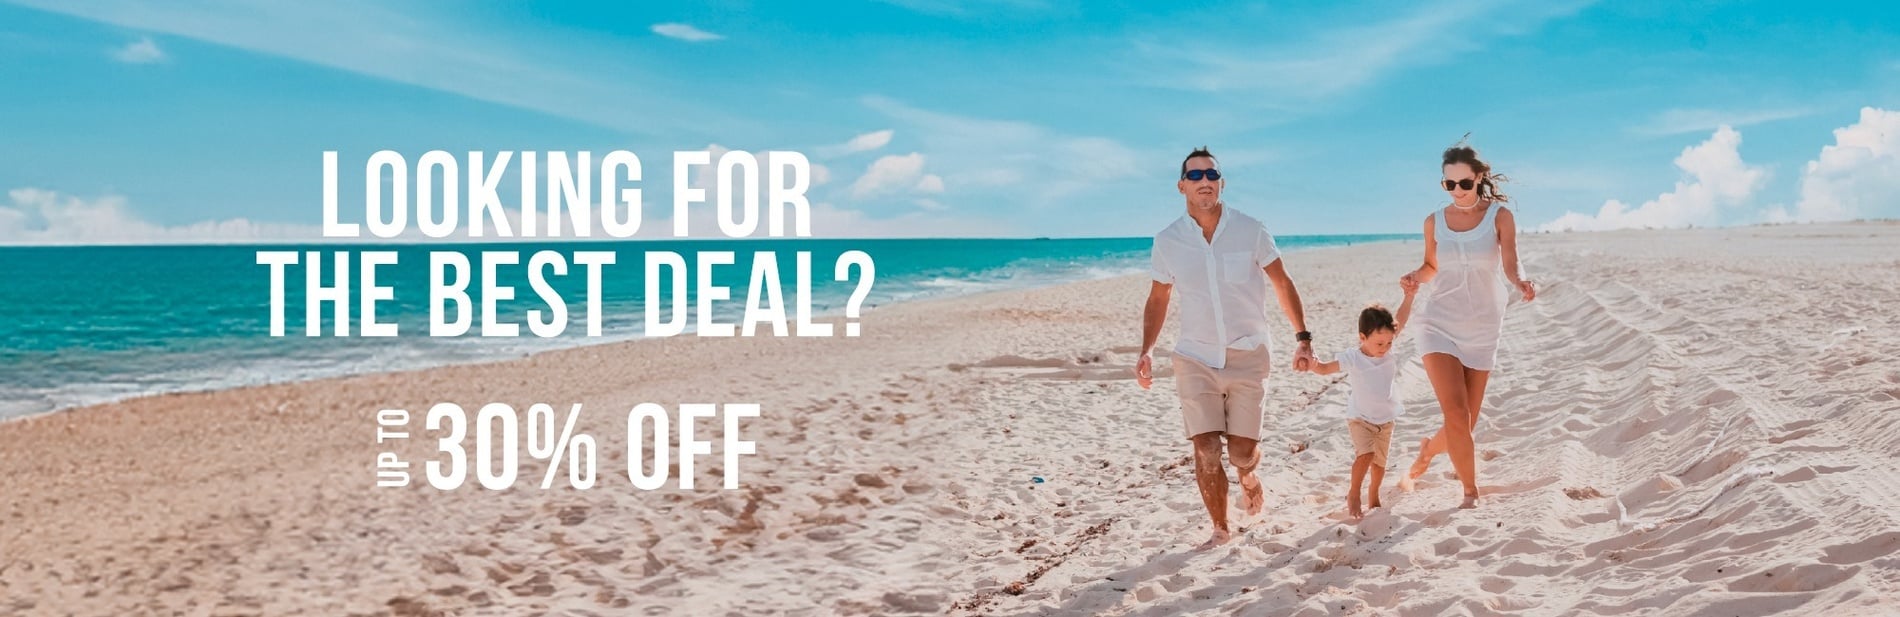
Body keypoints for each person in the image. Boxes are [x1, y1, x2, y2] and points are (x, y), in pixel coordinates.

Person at [1136, 147, 1315, 550]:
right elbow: (1159, 298)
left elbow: (1282, 282)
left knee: (1241, 453)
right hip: (1194, 356)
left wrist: (1303, 337)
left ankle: (1249, 477)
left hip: (1248, 353)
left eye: (1211, 174)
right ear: (1181, 185)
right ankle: (1220, 528)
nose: (1204, 182)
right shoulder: (1167, 240)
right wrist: (1146, 350)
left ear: (1221, 182)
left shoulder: (1251, 229)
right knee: (1205, 448)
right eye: (1195, 176)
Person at [1398, 141, 1536, 509]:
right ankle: (1470, 492)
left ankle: (1428, 450)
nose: (1457, 191)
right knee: (1456, 414)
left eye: (1464, 184)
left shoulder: (1500, 217)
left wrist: (1521, 282)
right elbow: (1431, 266)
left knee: (1466, 423)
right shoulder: (1434, 221)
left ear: (1478, 179)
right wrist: (1415, 276)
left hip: (1483, 326)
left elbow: (1511, 263)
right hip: (1438, 322)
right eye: (1449, 185)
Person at [1308, 290, 1416, 521]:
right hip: (1360, 418)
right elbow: (1326, 368)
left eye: (1389, 342)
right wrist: (1312, 364)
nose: (1385, 347)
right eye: (1379, 343)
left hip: (1386, 419)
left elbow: (1402, 319)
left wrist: (1409, 296)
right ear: (1362, 337)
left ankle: (1373, 492)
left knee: (1379, 464)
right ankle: (1354, 493)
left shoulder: (1388, 350)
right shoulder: (1353, 357)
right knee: (1365, 455)